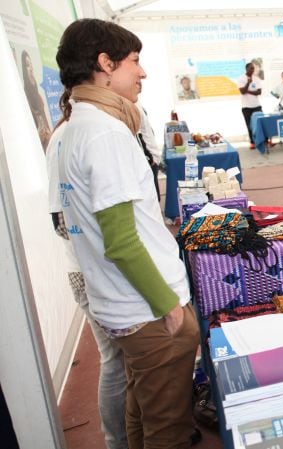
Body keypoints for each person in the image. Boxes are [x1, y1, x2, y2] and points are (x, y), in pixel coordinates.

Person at [54, 18, 200, 447]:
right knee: (168, 428)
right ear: (105, 63)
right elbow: (121, 241)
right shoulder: (105, 133)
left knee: (140, 409)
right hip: (147, 310)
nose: (142, 72)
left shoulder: (74, 128)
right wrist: (170, 308)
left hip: (122, 305)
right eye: (134, 61)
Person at [46, 117, 128, 449]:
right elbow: (62, 222)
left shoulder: (83, 132)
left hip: (104, 271)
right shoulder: (70, 136)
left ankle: (128, 436)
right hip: (93, 274)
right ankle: (117, 442)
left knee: (124, 360)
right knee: (116, 361)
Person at [21, 50, 52, 149]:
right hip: (39, 146)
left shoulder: (37, 93)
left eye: (31, 64)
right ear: (24, 69)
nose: (31, 68)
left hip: (48, 142)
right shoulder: (25, 95)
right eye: (27, 65)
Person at [238, 62, 262, 149]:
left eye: (253, 68)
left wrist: (248, 91)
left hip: (256, 105)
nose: (253, 70)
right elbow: (242, 91)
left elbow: (259, 92)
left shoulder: (256, 78)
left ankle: (263, 141)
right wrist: (248, 83)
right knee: (249, 125)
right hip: (246, 107)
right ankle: (253, 142)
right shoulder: (241, 78)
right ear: (246, 69)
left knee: (260, 123)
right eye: (251, 68)